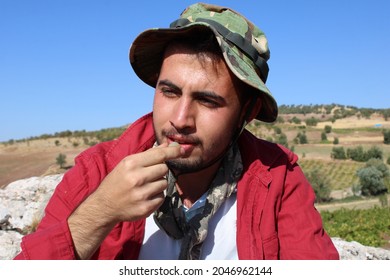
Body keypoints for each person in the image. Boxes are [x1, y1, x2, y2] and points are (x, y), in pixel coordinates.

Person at [14, 3, 339, 260]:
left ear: (248, 112)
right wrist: (102, 211)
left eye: (208, 101)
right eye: (169, 92)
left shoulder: (278, 178)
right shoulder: (97, 170)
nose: (180, 119)